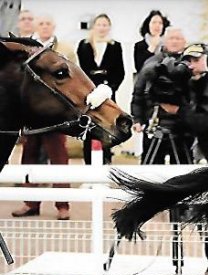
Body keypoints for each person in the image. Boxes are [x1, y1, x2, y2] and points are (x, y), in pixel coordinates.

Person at [11, 14, 74, 220]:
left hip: (55, 115)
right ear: (36, 26)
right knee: (29, 157)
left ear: (53, 26)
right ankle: (30, 203)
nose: (45, 26)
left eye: (48, 23)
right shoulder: (26, 49)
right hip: (31, 114)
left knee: (59, 159)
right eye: (41, 24)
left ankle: (62, 205)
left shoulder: (65, 49)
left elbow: (73, 80)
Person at [130, 26, 193, 164]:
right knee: (151, 169)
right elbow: (138, 93)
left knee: (183, 169)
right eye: (171, 38)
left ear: (185, 42)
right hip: (154, 123)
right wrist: (138, 119)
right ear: (164, 41)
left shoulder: (192, 65)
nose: (174, 41)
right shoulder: (151, 63)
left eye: (178, 38)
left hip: (183, 127)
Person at [76, 13, 124, 164]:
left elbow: (120, 72)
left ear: (109, 27)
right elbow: (81, 70)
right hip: (89, 95)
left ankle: (106, 161)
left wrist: (109, 88)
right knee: (89, 129)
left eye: (105, 25)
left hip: (107, 94)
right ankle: (88, 163)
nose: (102, 28)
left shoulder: (115, 46)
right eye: (99, 24)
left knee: (107, 129)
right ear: (94, 27)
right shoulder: (83, 45)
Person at [133, 9, 170, 75]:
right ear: (148, 25)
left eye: (160, 23)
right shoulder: (139, 45)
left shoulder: (168, 46)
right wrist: (152, 47)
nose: (157, 25)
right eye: (154, 22)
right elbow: (140, 68)